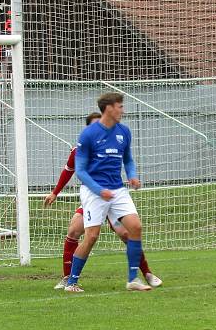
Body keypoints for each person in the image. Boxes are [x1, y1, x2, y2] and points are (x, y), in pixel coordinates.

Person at [44, 112, 161, 290]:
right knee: (74, 230)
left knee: (127, 234)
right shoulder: (79, 150)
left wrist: (131, 177)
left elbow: (127, 161)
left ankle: (147, 273)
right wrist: (55, 193)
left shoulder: (113, 144)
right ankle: (68, 278)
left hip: (112, 198)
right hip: (93, 198)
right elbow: (69, 170)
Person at [66, 92, 152, 292]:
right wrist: (99, 190)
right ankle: (72, 282)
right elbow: (80, 170)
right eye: (120, 106)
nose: (122, 110)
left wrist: (132, 176)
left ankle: (133, 279)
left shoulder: (124, 131)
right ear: (109, 108)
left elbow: (128, 160)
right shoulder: (88, 134)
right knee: (92, 236)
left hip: (118, 190)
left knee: (135, 227)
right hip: (93, 190)